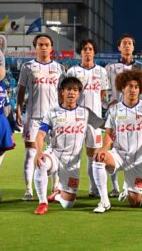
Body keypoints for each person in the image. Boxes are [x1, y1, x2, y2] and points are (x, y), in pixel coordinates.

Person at [92, 70, 142, 213]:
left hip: (138, 161)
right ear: (122, 88)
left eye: (136, 87)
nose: (133, 90)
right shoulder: (115, 110)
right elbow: (109, 133)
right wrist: (103, 148)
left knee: (135, 202)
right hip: (118, 155)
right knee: (98, 158)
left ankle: (128, 187)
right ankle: (104, 201)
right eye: (130, 86)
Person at [33, 77, 104, 215]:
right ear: (62, 92)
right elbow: (41, 134)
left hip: (72, 164)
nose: (72, 93)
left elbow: (103, 124)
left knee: (68, 204)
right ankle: (42, 203)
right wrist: (39, 152)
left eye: (75, 90)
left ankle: (58, 195)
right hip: (55, 155)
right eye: (69, 89)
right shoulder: (52, 112)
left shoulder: (85, 112)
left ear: (79, 94)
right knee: (41, 163)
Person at [16, 34, 65, 201]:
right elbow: (21, 91)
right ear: (35, 47)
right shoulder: (27, 67)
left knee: (56, 153)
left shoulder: (59, 68)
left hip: (55, 117)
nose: (43, 47)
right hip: (34, 117)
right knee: (31, 153)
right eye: (40, 44)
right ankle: (29, 189)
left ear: (51, 48)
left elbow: (62, 93)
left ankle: (55, 188)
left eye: (46, 44)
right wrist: (18, 109)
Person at [104, 34, 142, 198]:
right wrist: (106, 105)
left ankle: (129, 185)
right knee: (112, 148)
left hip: (135, 113)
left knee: (133, 147)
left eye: (130, 43)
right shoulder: (110, 68)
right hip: (117, 114)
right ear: (119, 47)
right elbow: (104, 90)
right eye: (124, 43)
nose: (127, 46)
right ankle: (115, 186)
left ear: (133, 47)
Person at [66, 39, 110, 198]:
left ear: (94, 52)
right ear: (80, 52)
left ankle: (93, 188)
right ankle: (70, 188)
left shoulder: (102, 72)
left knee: (93, 154)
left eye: (90, 49)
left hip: (95, 121)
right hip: (75, 118)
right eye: (84, 49)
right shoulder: (72, 72)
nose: (88, 51)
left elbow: (103, 93)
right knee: (73, 154)